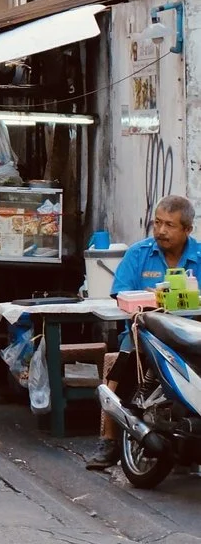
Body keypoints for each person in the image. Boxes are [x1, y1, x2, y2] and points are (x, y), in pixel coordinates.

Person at [88, 194, 197, 472]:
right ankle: (109, 440)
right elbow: (120, 293)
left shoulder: (198, 257)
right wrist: (148, 298)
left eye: (170, 225)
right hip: (144, 334)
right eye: (157, 223)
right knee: (121, 369)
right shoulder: (139, 253)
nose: (161, 231)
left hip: (190, 337)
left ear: (187, 229)